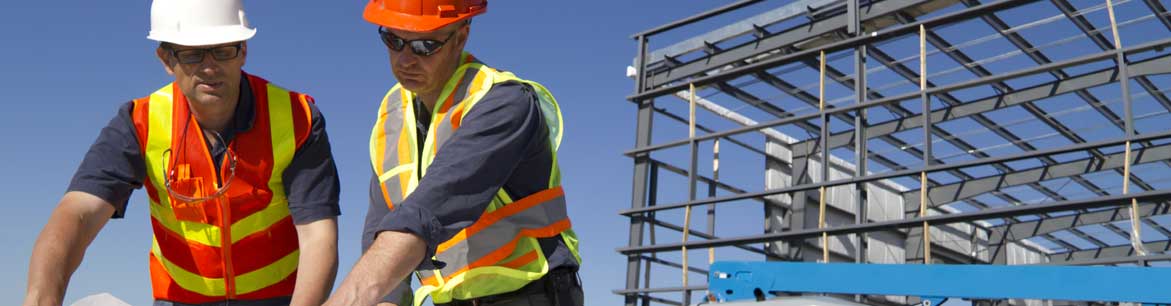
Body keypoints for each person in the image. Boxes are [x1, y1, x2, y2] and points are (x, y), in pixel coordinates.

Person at [22, 0, 341, 305]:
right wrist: (41, 298)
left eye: (223, 50)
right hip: (180, 300)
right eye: (192, 54)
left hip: (281, 299)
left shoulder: (297, 118)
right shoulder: (138, 124)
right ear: (166, 59)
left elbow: (318, 238)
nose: (209, 67)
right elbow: (77, 214)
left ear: (243, 50)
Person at [323, 1, 583, 306]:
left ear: (460, 37)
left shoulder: (503, 103)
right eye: (393, 40)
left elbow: (424, 214)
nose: (405, 59)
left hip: (533, 294)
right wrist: (387, 299)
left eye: (424, 45)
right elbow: (381, 230)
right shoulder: (391, 118)